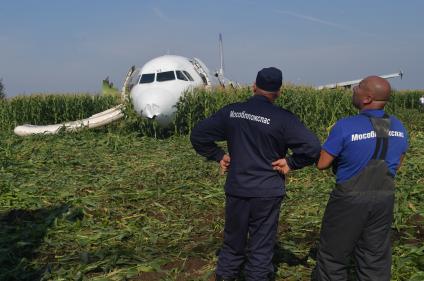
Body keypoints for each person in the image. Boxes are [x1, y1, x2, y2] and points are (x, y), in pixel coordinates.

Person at [190, 67, 321, 281]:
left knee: (233, 243)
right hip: (267, 191)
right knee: (261, 247)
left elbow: (198, 135)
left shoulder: (232, 112)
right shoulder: (283, 119)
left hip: (238, 188)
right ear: (278, 92)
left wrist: (218, 155)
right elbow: (313, 147)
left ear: (253, 87)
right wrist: (291, 162)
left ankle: (225, 276)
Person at [314, 76, 408, 280]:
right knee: (374, 257)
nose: (354, 89)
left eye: (359, 87)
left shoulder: (345, 126)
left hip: (349, 199)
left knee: (333, 256)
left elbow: (322, 163)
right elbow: (397, 164)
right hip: (384, 198)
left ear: (367, 98)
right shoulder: (399, 126)